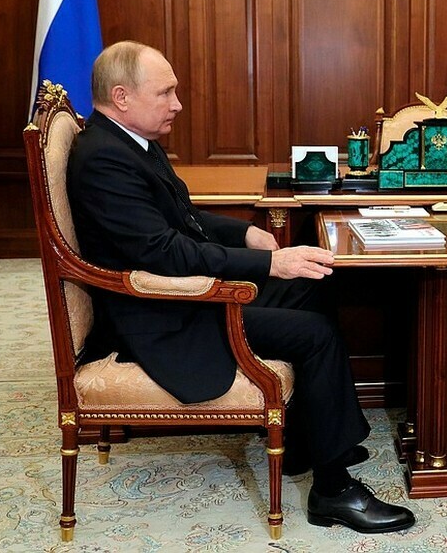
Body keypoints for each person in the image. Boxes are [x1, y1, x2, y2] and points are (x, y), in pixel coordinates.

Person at [67, 40, 415, 533]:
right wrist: (268, 263)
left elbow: (182, 217)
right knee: (315, 335)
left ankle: (307, 442)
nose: (177, 104)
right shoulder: (104, 159)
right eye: (165, 93)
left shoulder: (130, 142)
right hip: (158, 313)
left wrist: (244, 232)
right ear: (121, 97)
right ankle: (333, 492)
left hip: (177, 294)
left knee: (314, 285)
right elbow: (165, 252)